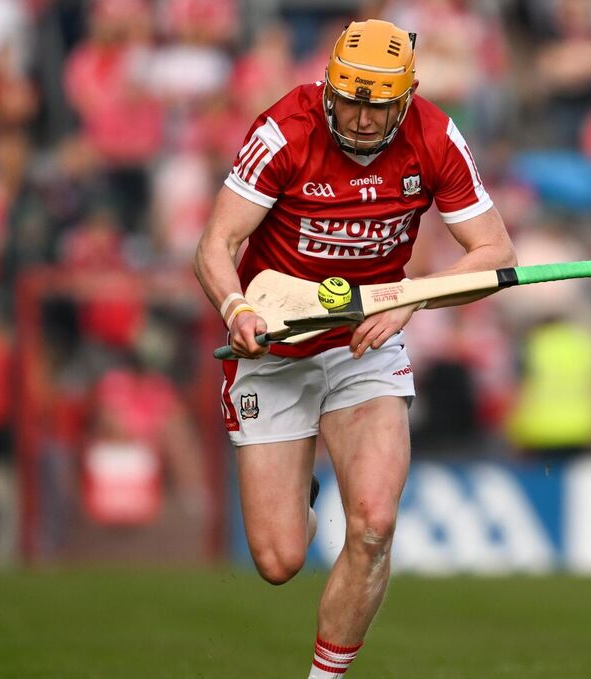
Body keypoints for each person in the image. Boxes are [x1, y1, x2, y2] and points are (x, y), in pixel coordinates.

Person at [192, 19, 515, 678]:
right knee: (280, 560)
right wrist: (237, 307)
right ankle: (299, 492)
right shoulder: (284, 131)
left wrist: (408, 298)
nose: (363, 119)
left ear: (408, 96)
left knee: (373, 523)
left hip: (364, 346)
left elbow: (495, 251)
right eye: (350, 100)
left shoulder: (436, 136)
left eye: (380, 105)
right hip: (276, 346)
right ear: (329, 86)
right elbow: (215, 244)